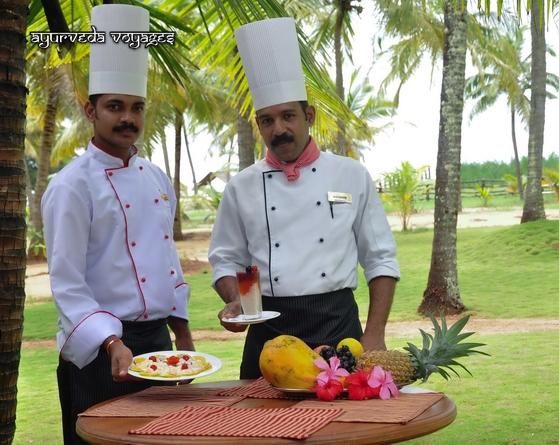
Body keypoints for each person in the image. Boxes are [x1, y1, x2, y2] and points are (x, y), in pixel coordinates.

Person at [208, 17, 400, 379]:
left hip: (339, 329)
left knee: (342, 415)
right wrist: (236, 300)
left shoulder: (351, 174)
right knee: (257, 416)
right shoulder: (241, 187)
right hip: (268, 334)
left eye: (288, 116)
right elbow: (224, 260)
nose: (278, 129)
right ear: (259, 125)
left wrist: (375, 333)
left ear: (308, 116)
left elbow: (381, 260)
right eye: (267, 120)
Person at [41, 5, 193, 444]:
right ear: (91, 110)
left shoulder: (156, 177)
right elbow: (68, 285)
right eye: (115, 107)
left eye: (136, 108)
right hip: (98, 352)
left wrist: (182, 334)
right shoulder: (71, 186)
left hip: (157, 345)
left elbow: (167, 261)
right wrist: (112, 342)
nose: (128, 118)